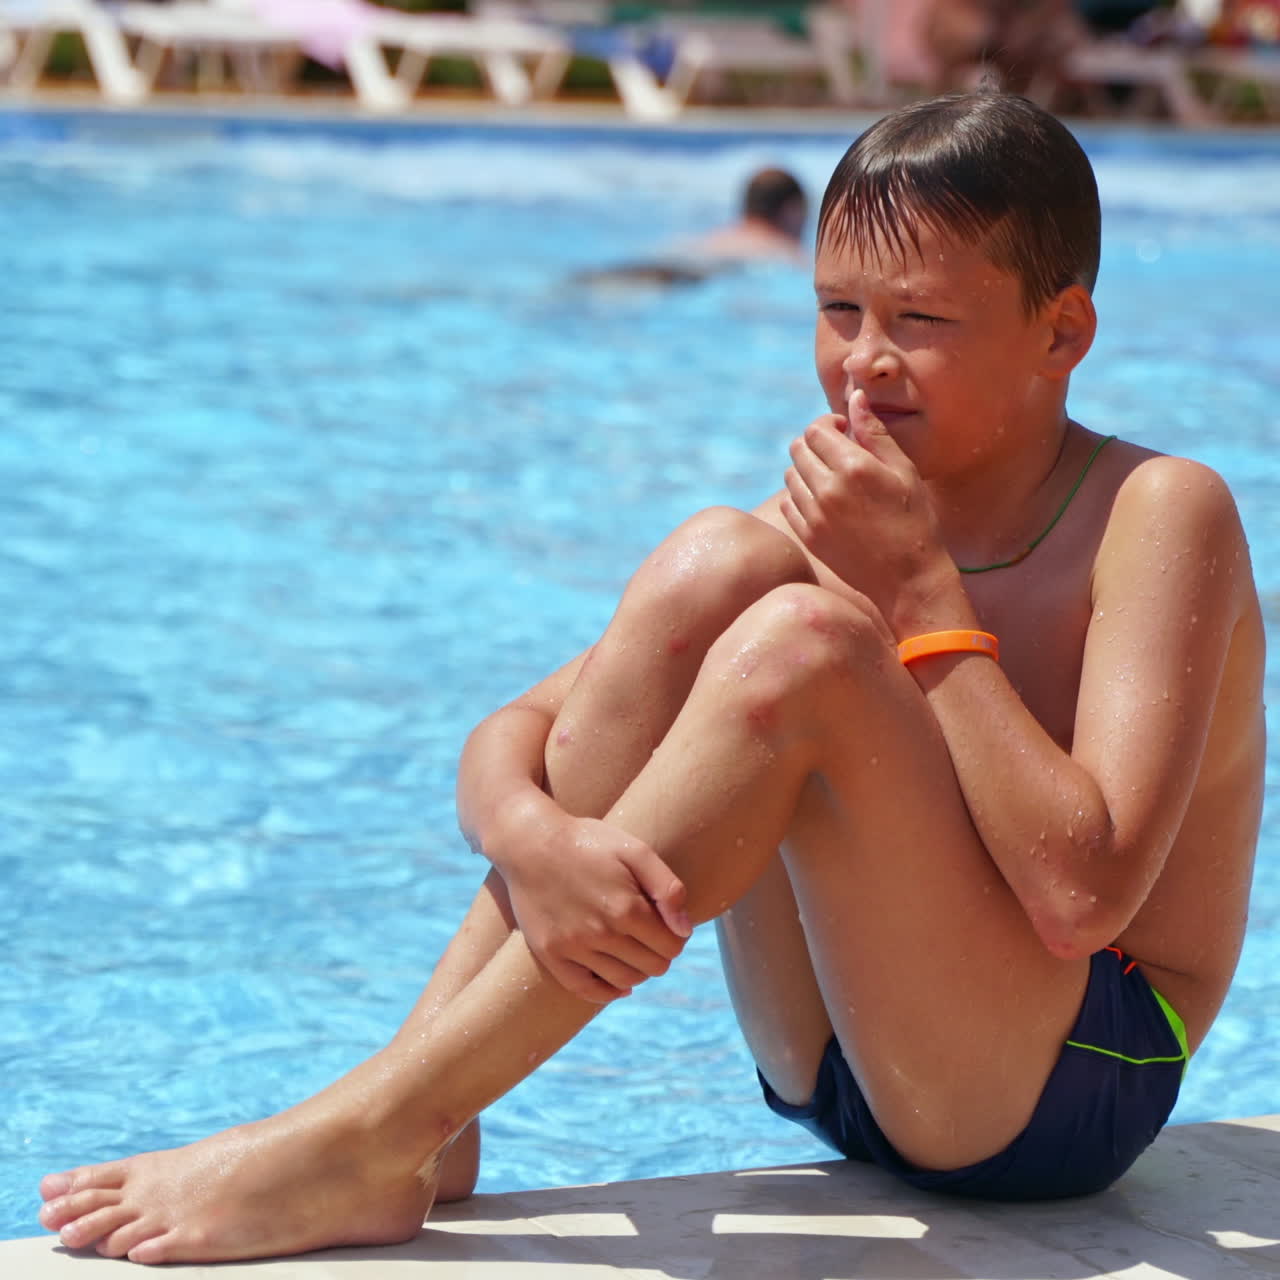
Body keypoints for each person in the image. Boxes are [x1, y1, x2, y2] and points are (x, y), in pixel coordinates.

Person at [38, 89, 1264, 1265]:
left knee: (807, 645)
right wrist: (534, 839)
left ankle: (376, 1128)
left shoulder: (1154, 511)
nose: (863, 363)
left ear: (1059, 333)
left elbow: (1080, 896)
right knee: (716, 560)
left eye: (919, 321)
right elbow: (514, 731)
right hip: (839, 1061)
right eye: (837, 310)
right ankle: (428, 1116)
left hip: (1072, 1086)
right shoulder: (834, 521)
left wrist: (920, 600)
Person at [572, 165, 808, 288]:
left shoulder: (717, 237)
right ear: (792, 210)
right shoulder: (785, 252)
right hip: (690, 277)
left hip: (667, 263)